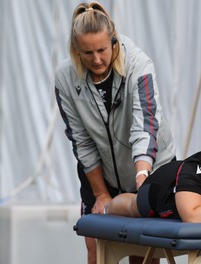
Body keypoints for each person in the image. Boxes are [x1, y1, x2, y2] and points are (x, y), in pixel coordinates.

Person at [54, 2, 176, 264]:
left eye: (102, 50)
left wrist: (142, 176)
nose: (96, 59)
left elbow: (145, 125)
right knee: (96, 246)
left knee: (143, 249)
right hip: (102, 172)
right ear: (76, 50)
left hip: (151, 165)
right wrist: (101, 194)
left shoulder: (139, 64)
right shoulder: (64, 77)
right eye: (87, 53)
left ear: (114, 41)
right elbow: (81, 140)